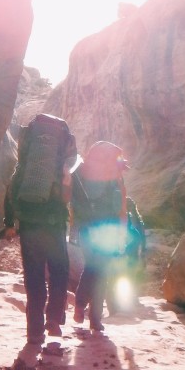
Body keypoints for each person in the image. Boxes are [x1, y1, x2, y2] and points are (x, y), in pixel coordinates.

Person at [3, 114, 77, 346]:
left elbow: (11, 190)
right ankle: (53, 318)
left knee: (33, 277)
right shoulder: (62, 166)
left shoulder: (24, 167)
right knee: (59, 271)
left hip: (29, 224)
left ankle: (34, 331)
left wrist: (9, 223)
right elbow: (67, 197)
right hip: (53, 224)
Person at [71, 141, 129, 332]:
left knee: (91, 267)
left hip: (86, 228)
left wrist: (75, 228)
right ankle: (95, 318)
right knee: (102, 272)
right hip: (107, 230)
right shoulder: (116, 177)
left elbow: (73, 204)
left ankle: (80, 306)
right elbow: (122, 209)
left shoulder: (82, 173)